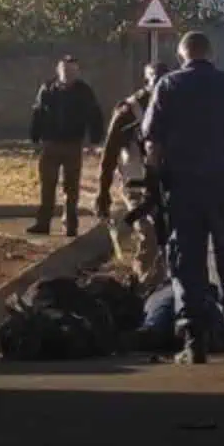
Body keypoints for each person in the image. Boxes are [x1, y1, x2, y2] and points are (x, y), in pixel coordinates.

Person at [141, 31, 224, 365]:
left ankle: (194, 343)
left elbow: (152, 143)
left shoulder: (167, 86)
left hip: (183, 188)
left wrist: (153, 184)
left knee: (186, 262)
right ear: (212, 55)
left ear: (181, 56)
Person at [95, 61, 171, 290]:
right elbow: (109, 153)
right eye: (155, 79)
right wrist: (103, 192)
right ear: (147, 81)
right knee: (149, 234)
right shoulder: (129, 111)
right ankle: (144, 287)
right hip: (137, 184)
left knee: (168, 239)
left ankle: (160, 286)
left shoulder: (176, 106)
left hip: (167, 184)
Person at [28, 56, 104, 238]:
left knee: (71, 188)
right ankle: (43, 223)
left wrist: (95, 140)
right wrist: (35, 138)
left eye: (72, 70)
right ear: (58, 70)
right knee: (47, 185)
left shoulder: (84, 91)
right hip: (50, 144)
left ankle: (70, 224)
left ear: (77, 72)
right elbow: (38, 113)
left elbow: (95, 115)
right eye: (65, 70)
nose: (68, 74)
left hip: (73, 144)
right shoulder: (47, 89)